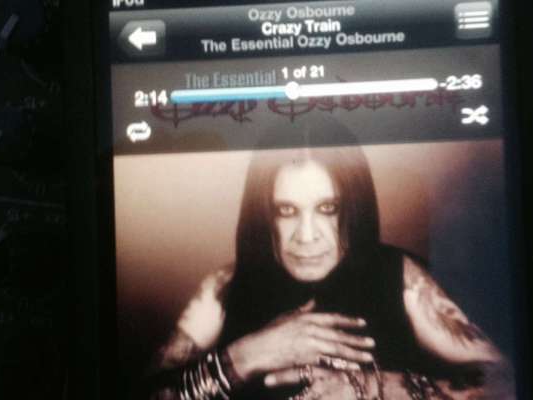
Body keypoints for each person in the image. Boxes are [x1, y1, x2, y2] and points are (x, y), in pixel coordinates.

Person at [144, 117, 513, 400]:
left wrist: (376, 387)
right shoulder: (225, 286)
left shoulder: (399, 276)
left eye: (327, 208)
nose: (307, 235)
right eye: (286, 210)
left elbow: (507, 383)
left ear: (354, 207)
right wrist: (244, 357)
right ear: (263, 215)